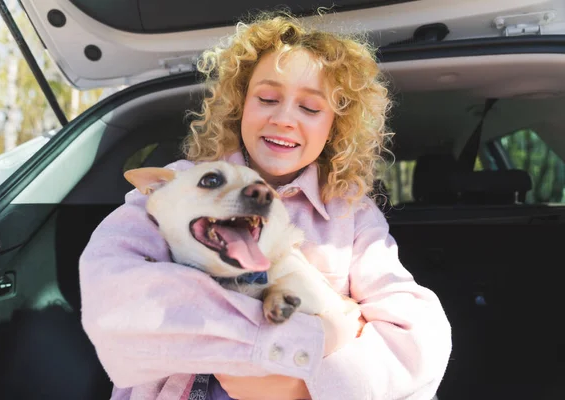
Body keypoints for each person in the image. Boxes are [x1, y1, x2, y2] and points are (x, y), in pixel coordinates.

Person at [79, 11, 452, 400]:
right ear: (241, 104)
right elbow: (111, 286)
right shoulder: (180, 183)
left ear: (334, 128)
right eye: (268, 98)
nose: (285, 119)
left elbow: (419, 336)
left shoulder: (351, 216)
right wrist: (325, 332)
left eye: (310, 108)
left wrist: (300, 385)